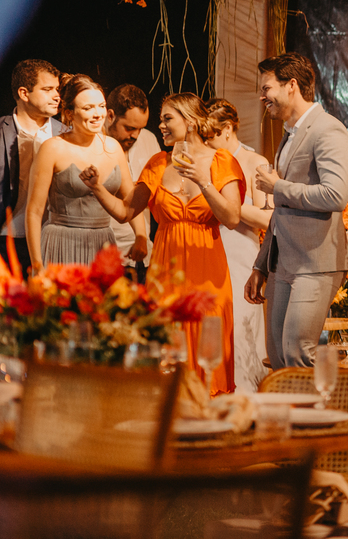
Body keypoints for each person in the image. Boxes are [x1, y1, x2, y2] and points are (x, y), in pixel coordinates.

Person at [88, 92, 244, 394]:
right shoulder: (158, 163)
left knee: (207, 353)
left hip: (208, 274)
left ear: (191, 120)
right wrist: (97, 188)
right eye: (161, 120)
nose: (160, 126)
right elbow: (125, 211)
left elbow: (232, 217)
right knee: (166, 350)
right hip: (166, 274)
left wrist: (203, 181)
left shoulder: (222, 161)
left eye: (167, 119)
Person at [245, 53, 348, 369]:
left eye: (267, 88)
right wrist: (261, 264)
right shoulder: (290, 134)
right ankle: (289, 405)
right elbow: (281, 212)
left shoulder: (328, 129)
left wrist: (278, 186)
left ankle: (322, 404)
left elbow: (335, 195)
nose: (262, 96)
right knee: (278, 355)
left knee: (298, 353)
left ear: (291, 85)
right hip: (283, 262)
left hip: (316, 262)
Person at [25, 75, 127, 269]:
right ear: (69, 113)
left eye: (101, 106)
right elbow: (34, 211)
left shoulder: (114, 147)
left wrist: (141, 235)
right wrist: (37, 266)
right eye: (88, 108)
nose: (98, 114)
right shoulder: (52, 148)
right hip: (61, 243)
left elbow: (130, 202)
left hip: (102, 244)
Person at [207, 98, 272, 393]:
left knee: (241, 331)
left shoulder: (254, 162)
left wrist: (228, 205)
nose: (205, 140)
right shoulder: (204, 161)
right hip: (209, 249)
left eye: (210, 134)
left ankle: (247, 397)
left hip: (241, 253)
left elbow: (269, 218)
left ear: (227, 129)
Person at [0, 59, 62, 272]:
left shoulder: (66, 133)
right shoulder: (1, 131)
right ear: (24, 93)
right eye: (47, 89)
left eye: (57, 89)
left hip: (53, 238)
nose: (57, 96)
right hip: (7, 237)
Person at [104, 84, 159, 278]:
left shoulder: (149, 140)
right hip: (101, 251)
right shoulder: (93, 142)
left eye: (140, 129)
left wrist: (142, 236)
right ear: (110, 116)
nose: (135, 135)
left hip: (139, 252)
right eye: (129, 128)